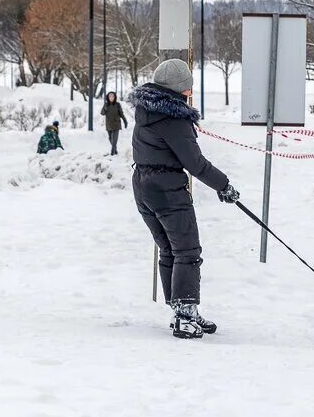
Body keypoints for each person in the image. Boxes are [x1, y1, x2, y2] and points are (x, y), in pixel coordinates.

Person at [129, 58, 240, 339]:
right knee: (187, 251)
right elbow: (195, 163)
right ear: (181, 89)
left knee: (169, 249)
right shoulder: (174, 118)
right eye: (188, 87)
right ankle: (184, 313)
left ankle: (182, 310)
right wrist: (223, 185)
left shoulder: (146, 112)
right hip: (167, 189)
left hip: (143, 185)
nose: (191, 92)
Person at [101, 91, 128, 156]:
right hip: (109, 125)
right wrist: (105, 108)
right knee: (110, 138)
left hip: (116, 124)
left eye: (112, 96)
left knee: (114, 139)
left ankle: (112, 152)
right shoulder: (106, 104)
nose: (111, 98)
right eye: (110, 96)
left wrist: (125, 121)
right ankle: (115, 149)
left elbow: (121, 114)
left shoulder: (118, 104)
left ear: (114, 97)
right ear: (108, 97)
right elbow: (102, 113)